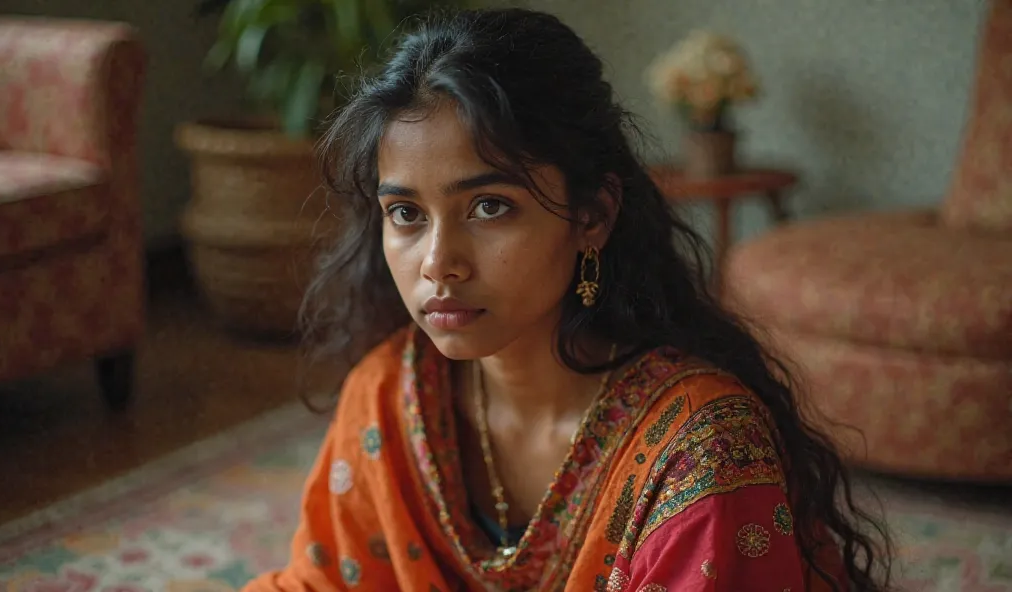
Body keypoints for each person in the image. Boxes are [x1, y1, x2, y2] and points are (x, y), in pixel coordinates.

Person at [244, 7, 891, 592]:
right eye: (406, 213)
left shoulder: (701, 455)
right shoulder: (390, 395)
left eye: (489, 207)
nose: (438, 263)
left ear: (593, 214)